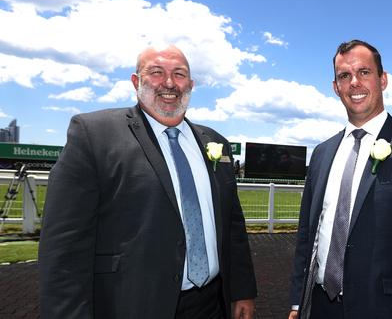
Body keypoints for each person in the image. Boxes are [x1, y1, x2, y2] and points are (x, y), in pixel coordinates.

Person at [39, 44, 257, 319]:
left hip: (211, 305)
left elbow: (233, 227)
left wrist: (241, 290)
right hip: (131, 304)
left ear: (190, 84)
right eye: (156, 72)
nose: (169, 83)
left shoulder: (215, 142)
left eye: (179, 74)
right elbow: (64, 246)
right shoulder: (94, 135)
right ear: (136, 81)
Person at [289, 40, 392, 319]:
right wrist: (296, 303)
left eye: (364, 72)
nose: (354, 82)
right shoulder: (321, 154)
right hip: (319, 308)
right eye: (344, 76)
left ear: (383, 79)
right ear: (335, 87)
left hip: (384, 310)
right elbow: (307, 236)